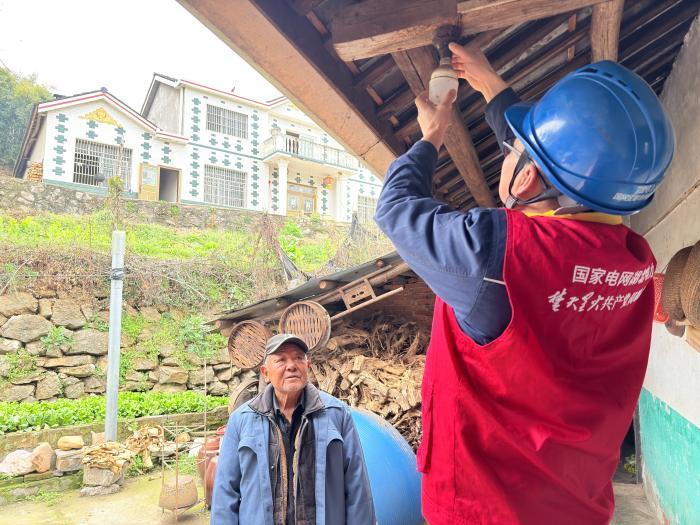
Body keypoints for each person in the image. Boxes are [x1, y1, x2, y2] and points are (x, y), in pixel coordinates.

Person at [374, 42, 674, 525]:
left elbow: (395, 209)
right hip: (577, 508)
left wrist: (431, 135)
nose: (506, 151)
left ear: (527, 177)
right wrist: (491, 85)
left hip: (482, 511)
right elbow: (547, 177)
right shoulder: (635, 262)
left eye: (513, 149)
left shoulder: (495, 253)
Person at [211, 333, 376, 525]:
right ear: (265, 373)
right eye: (281, 360)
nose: (291, 366)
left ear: (308, 366)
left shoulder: (336, 414)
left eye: (298, 358)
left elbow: (357, 486)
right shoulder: (241, 419)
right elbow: (225, 491)